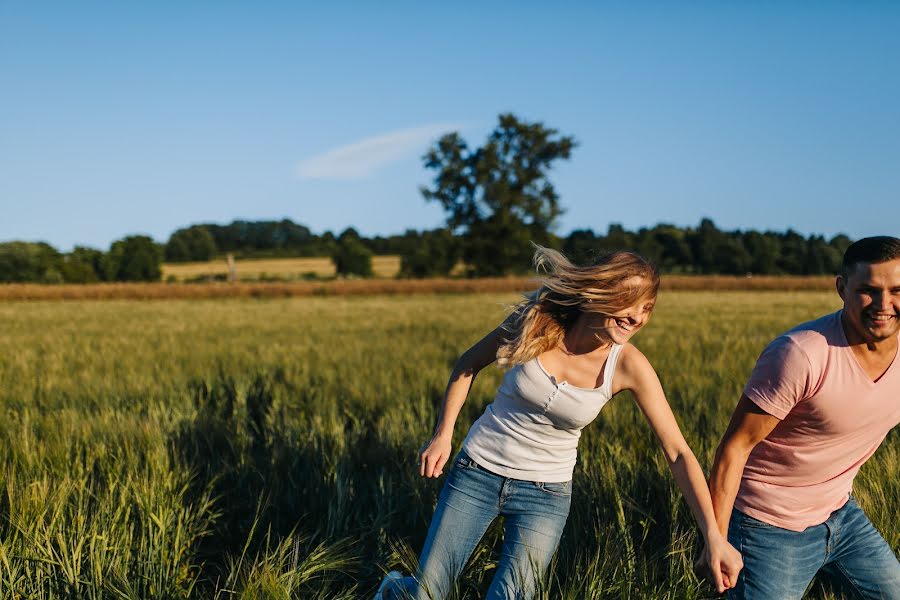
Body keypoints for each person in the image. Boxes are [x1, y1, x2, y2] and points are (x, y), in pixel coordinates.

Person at [376, 247, 742, 600]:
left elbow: (677, 452)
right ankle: (395, 588)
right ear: (599, 293)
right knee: (427, 593)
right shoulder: (536, 322)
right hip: (478, 471)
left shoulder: (628, 366)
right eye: (628, 302)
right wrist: (443, 435)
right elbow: (467, 365)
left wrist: (713, 534)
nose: (638, 317)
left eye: (647, 308)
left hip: (545, 495)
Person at [706, 236, 900, 599]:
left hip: (842, 512)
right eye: (868, 291)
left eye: (897, 290)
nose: (884, 305)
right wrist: (715, 541)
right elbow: (734, 448)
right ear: (841, 288)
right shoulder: (801, 355)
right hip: (768, 526)